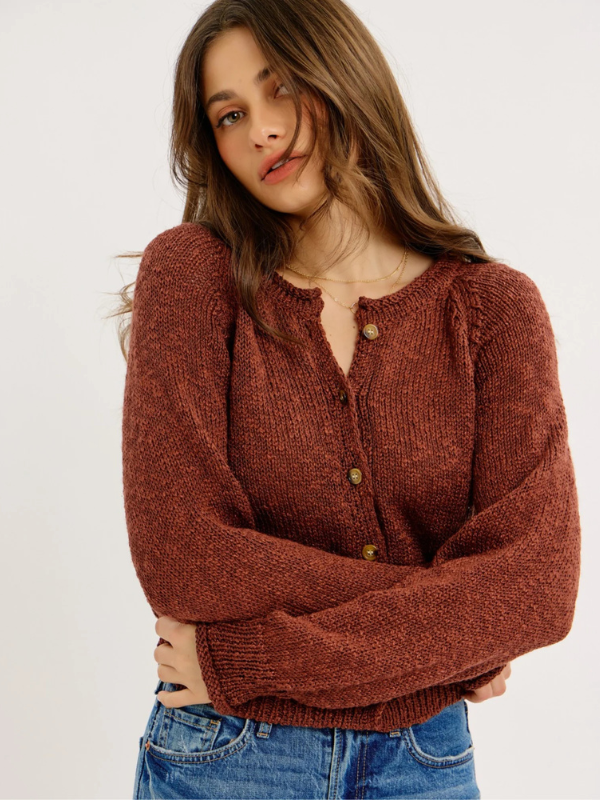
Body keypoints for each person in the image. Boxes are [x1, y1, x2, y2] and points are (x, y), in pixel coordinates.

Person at [116, 0, 581, 797]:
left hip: (420, 755)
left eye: (281, 86)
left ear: (346, 74)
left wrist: (255, 656)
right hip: (231, 752)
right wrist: (455, 626)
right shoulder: (194, 278)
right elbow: (185, 558)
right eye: (229, 115)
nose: (260, 129)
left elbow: (539, 583)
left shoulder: (493, 309)